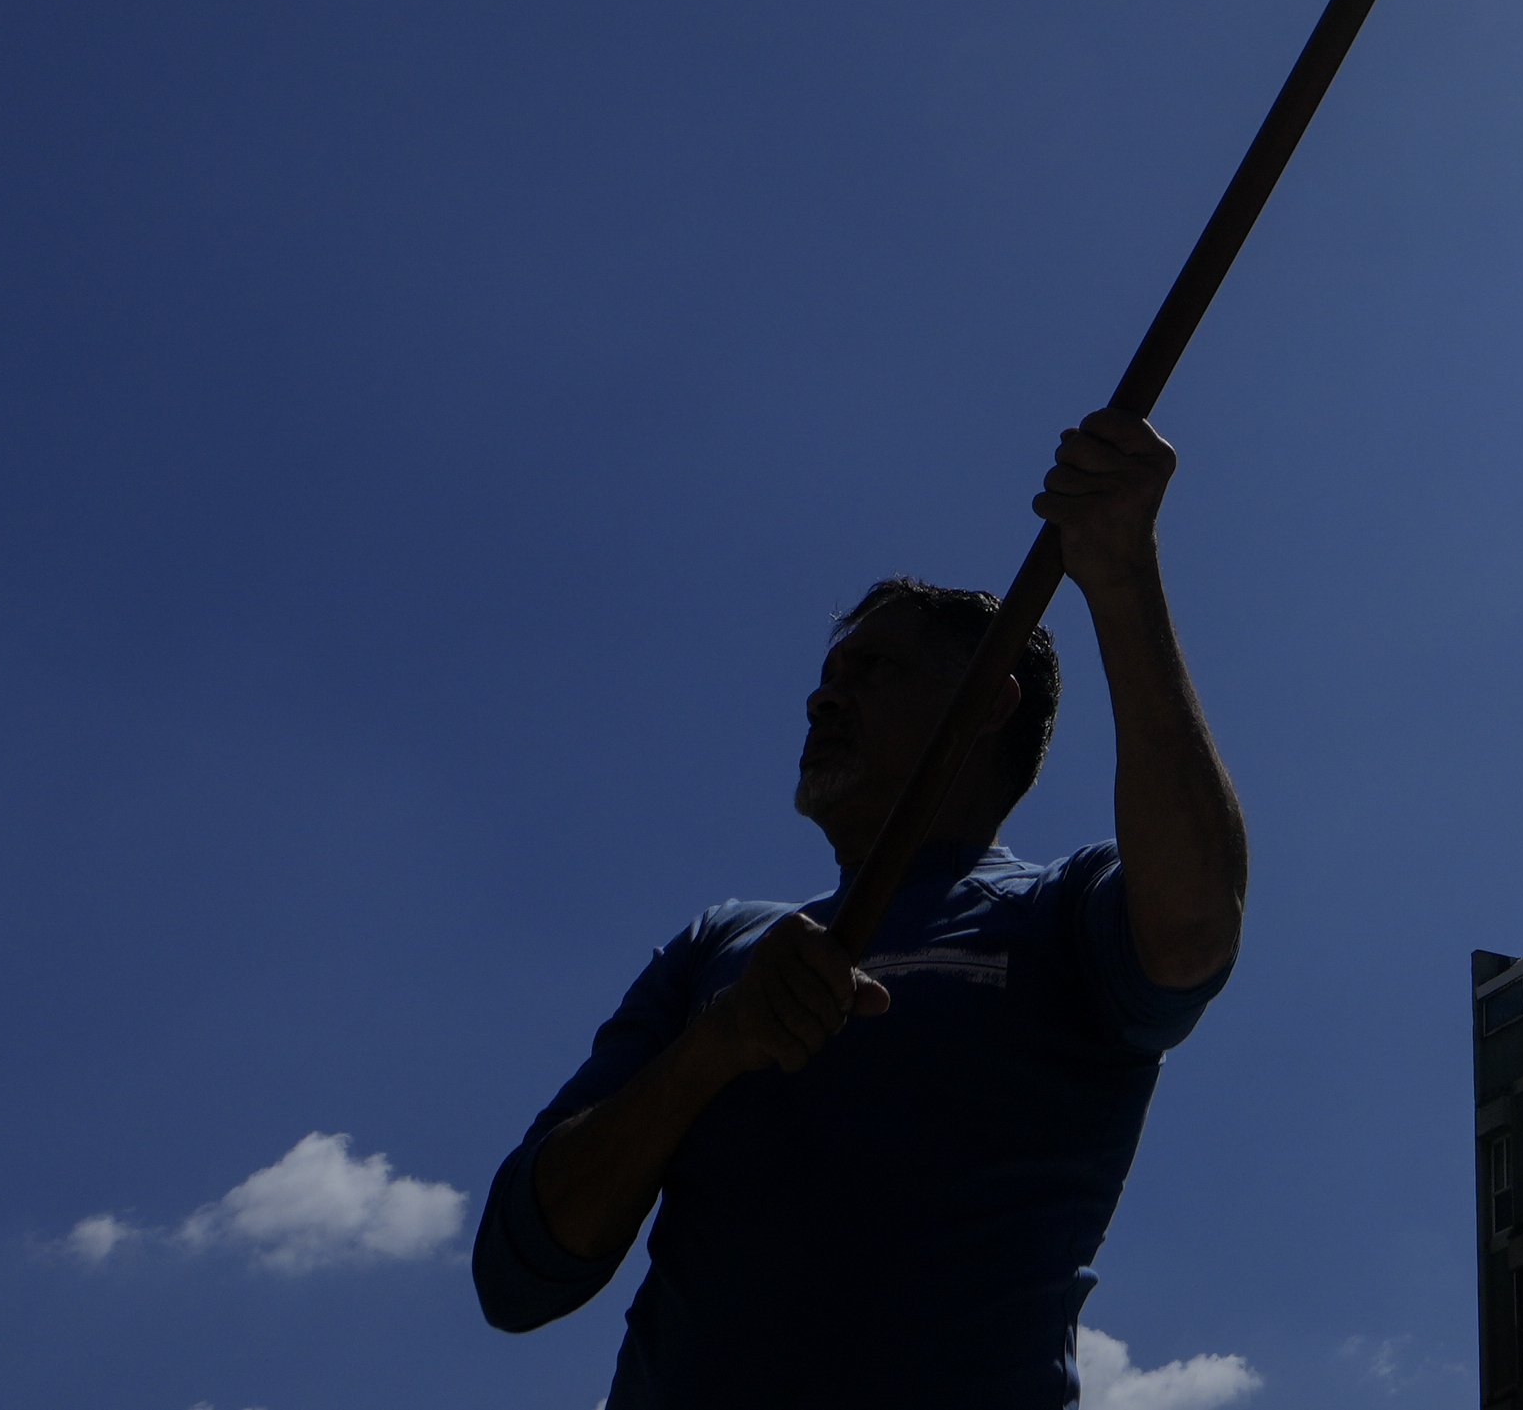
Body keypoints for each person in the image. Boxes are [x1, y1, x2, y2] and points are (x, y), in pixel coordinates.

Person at [475, 411, 1245, 1404]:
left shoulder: (1062, 910)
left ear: (988, 700)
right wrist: (715, 1047)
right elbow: (519, 1271)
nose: (821, 701)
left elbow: (1189, 934)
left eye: (871, 672)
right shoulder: (723, 945)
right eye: (826, 677)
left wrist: (1121, 573)